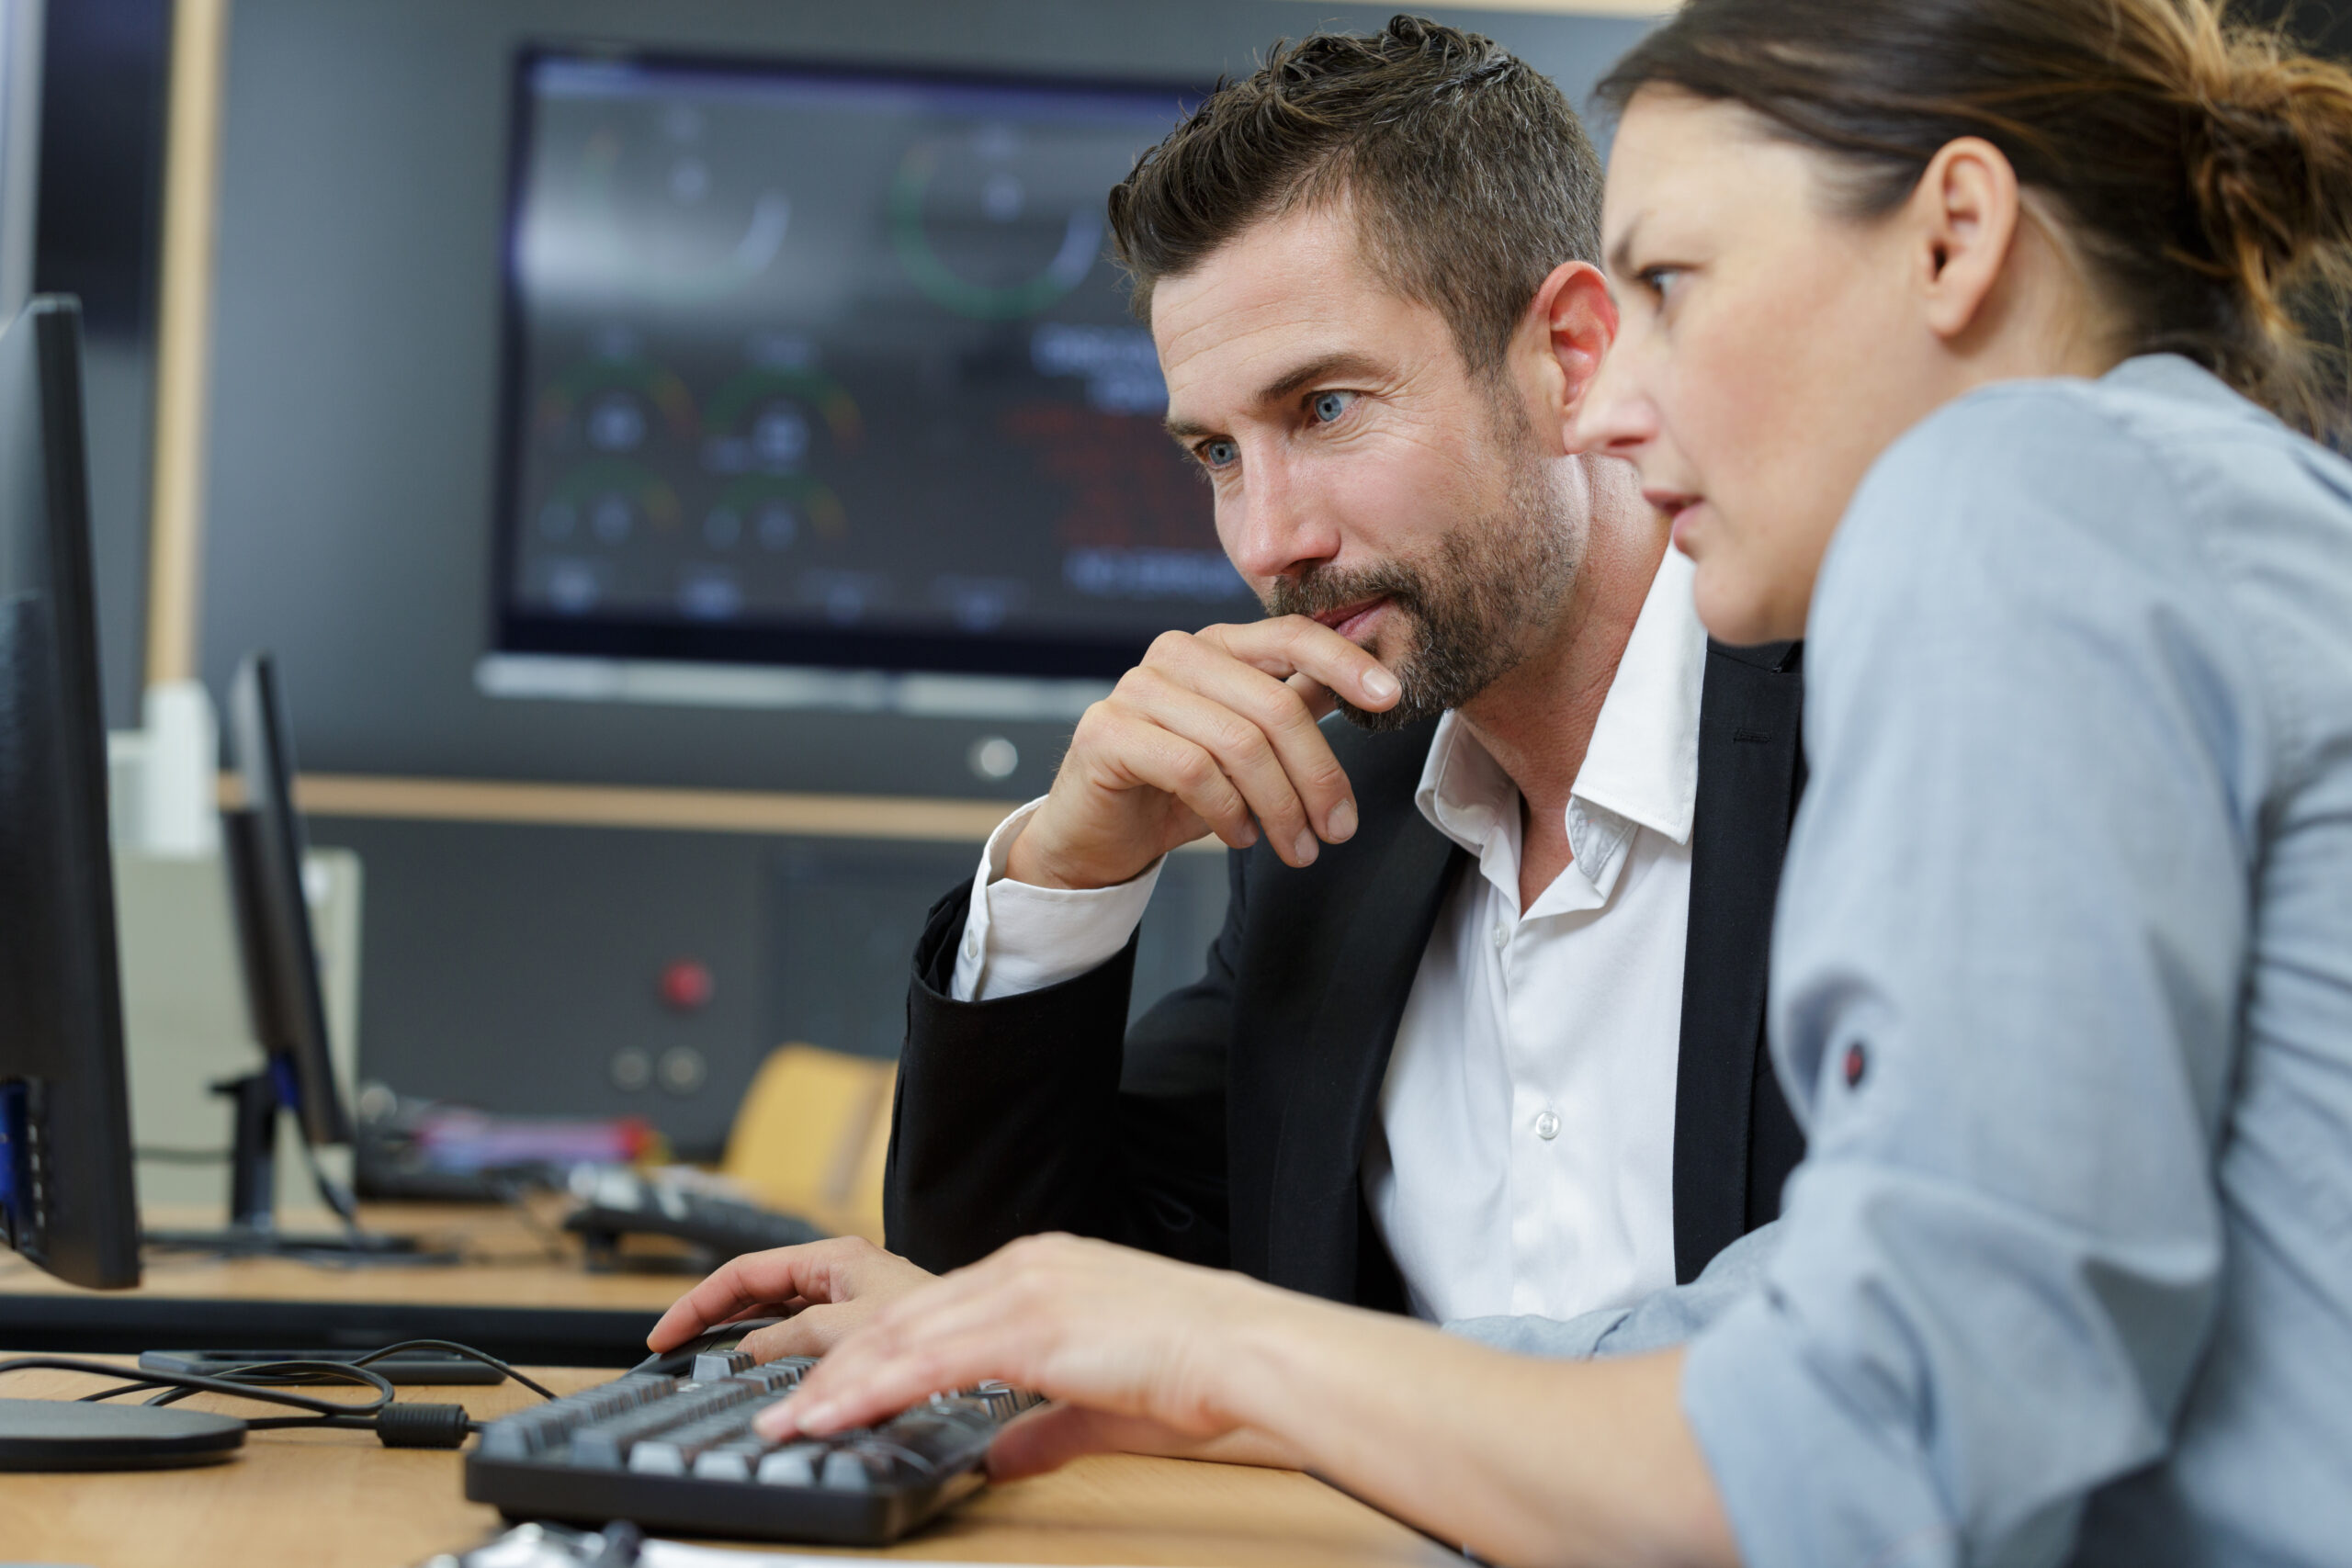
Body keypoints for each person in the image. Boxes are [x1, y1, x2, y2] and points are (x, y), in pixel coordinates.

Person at [651, 0, 2352, 1562]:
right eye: (1215, 453)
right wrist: (1176, 1335)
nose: (1632, 401)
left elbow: (1888, 1423)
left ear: (1955, 239)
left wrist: (1223, 1354)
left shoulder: (2024, 500)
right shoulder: (2173, 512)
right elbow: (1805, 1329)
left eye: (1673, 289)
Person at [667, 17, 1808, 1362]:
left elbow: (1865, 1372)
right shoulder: (1340, 823)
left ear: (1572, 353)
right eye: (1217, 451)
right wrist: (1068, 871)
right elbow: (1009, 1310)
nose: (1269, 543)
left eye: (1325, 408)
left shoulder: (1870, 744)